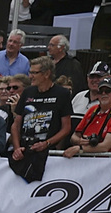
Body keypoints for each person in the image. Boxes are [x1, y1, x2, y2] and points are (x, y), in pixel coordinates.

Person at [11, 56, 74, 186]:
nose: (31, 76)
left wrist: (47, 143)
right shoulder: (28, 92)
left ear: (46, 74)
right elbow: (16, 124)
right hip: (24, 151)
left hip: (49, 155)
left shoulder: (62, 93)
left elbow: (66, 127)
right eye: (30, 72)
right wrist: (17, 148)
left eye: (34, 73)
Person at [63, 78, 111, 157]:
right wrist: (79, 141)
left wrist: (80, 149)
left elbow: (105, 146)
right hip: (83, 159)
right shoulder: (92, 109)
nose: (104, 93)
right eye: (100, 91)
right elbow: (74, 136)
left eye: (108, 91)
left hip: (107, 162)